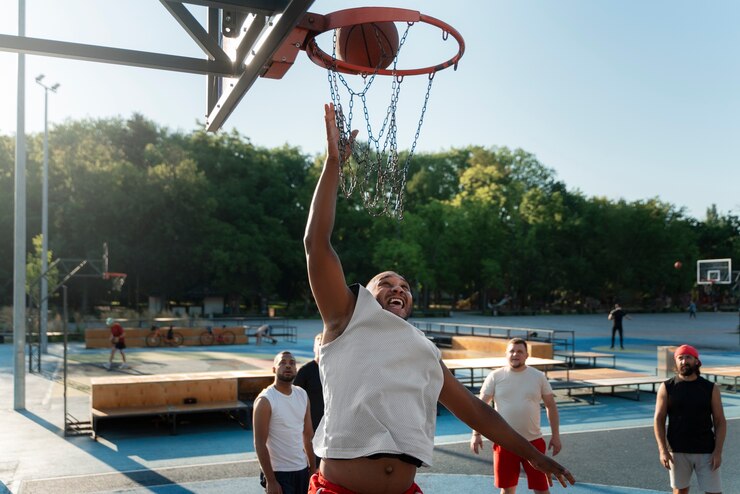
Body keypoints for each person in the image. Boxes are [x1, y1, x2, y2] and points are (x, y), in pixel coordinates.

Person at [302, 102, 575, 494]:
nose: (398, 288)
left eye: (405, 287)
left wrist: (531, 453)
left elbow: (475, 409)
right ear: (366, 293)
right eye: (387, 283)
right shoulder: (346, 316)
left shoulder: (424, 350)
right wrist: (333, 163)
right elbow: (316, 243)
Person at [470, 338, 562, 494]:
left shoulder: (538, 376)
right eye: (512, 351)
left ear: (527, 355)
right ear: (506, 354)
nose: (515, 354)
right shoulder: (495, 376)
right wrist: (475, 434)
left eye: (520, 351)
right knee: (507, 489)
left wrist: (556, 436)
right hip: (505, 442)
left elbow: (550, 406)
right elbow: (480, 407)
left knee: (542, 489)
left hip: (534, 443)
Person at [653, 344, 726, 494]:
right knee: (680, 492)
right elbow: (658, 420)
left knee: (714, 492)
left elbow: (720, 421)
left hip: (706, 451)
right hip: (677, 451)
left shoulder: (710, 388)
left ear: (696, 361)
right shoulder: (667, 387)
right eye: (680, 358)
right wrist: (662, 450)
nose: (684, 361)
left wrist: (718, 451)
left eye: (688, 357)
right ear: (676, 362)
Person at [253, 351, 316, 494]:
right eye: (282, 362)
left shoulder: (302, 394)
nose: (288, 366)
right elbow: (259, 443)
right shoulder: (265, 400)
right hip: (278, 473)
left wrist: (312, 469)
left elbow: (308, 435)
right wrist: (271, 481)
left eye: (292, 363)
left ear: (296, 369)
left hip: (302, 470)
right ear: (274, 369)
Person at [295, 333, 324, 468]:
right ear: (314, 348)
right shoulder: (305, 372)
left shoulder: (334, 369)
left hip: (329, 425)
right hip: (310, 425)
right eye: (319, 344)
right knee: (310, 465)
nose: (322, 347)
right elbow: (294, 397)